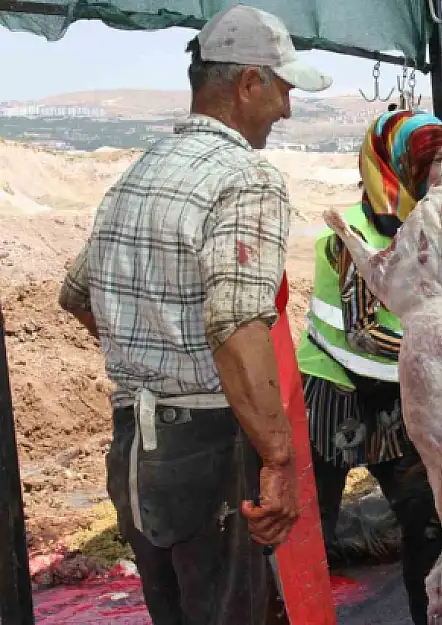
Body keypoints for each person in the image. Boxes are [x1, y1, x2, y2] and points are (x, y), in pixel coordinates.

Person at [56, 5, 331, 624]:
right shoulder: (246, 177)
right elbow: (237, 325)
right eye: (283, 89)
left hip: (135, 453)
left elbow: (77, 294)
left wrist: (154, 351)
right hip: (211, 451)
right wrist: (279, 462)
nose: (286, 109)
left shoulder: (138, 174)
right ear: (248, 84)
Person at [296, 108, 442, 625]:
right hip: (332, 392)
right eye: (433, 165)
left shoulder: (426, 228)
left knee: (426, 524)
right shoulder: (349, 235)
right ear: (397, 166)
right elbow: (362, 333)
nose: (441, 176)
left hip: (394, 392)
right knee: (311, 531)